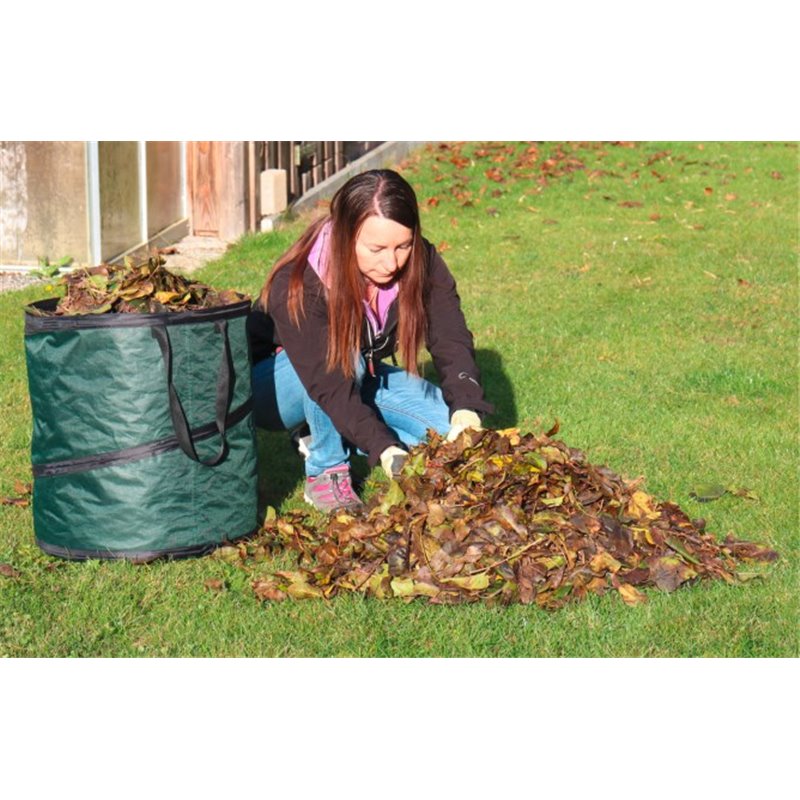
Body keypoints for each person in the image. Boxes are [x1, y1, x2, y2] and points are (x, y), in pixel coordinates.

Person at [247, 168, 492, 513]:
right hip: (272, 388)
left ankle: (329, 429)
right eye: (376, 248)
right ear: (345, 236)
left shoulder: (422, 260)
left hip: (356, 372)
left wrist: (466, 405)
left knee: (448, 435)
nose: (391, 262)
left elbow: (450, 335)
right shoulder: (298, 284)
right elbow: (328, 382)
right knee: (344, 359)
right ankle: (326, 470)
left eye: (403, 245)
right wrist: (385, 448)